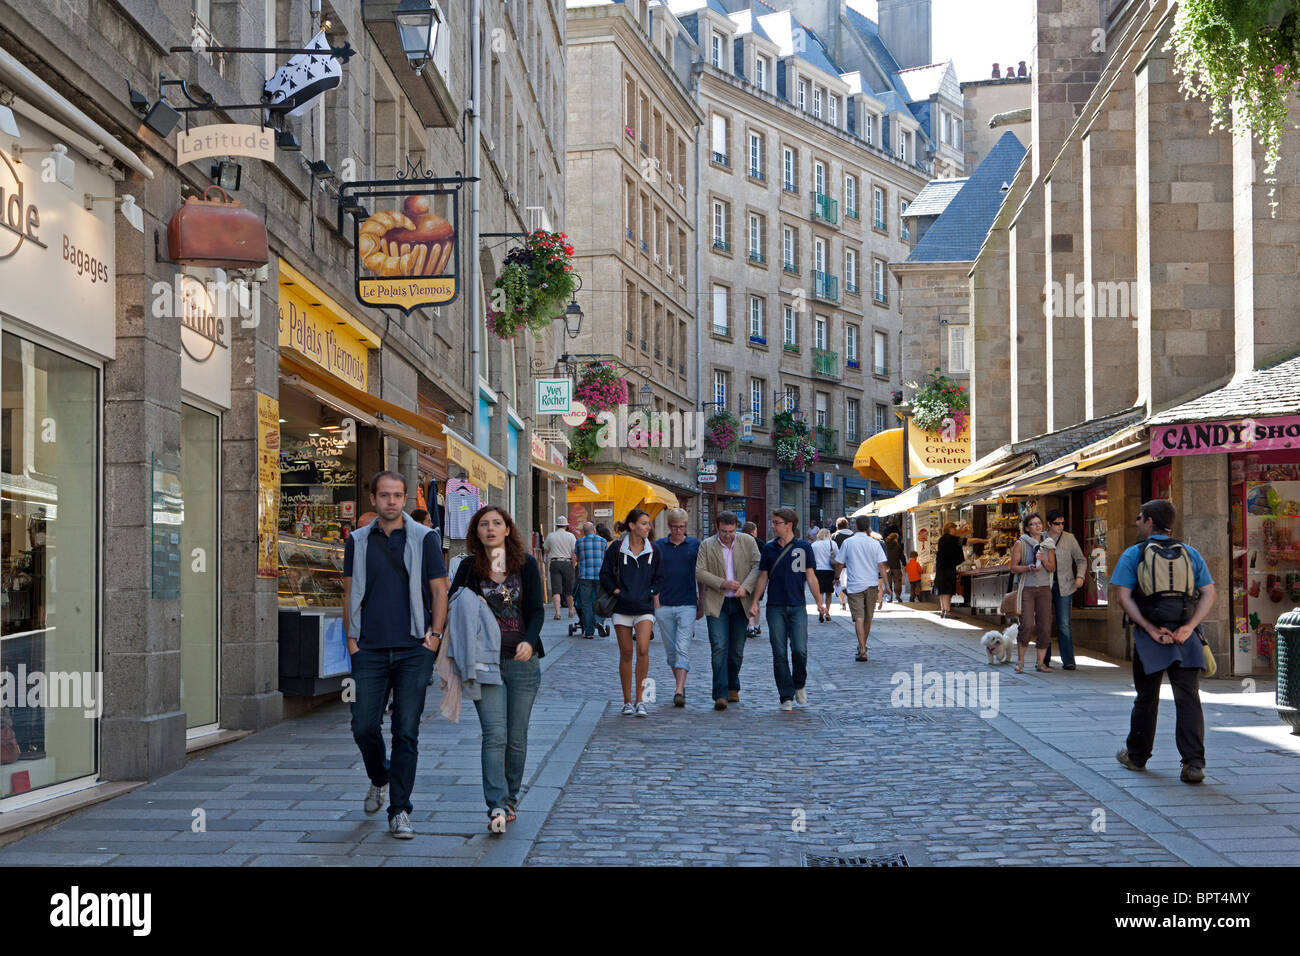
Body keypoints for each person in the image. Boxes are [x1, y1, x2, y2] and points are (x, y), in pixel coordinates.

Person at [343, 471, 448, 839]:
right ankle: (379, 776)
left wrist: (433, 637)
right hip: (368, 648)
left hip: (413, 649)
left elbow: (439, 590)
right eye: (384, 495)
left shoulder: (425, 538)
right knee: (363, 725)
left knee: (406, 730)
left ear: (406, 499)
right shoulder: (356, 541)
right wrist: (352, 640)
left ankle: (400, 810)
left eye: (398, 495)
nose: (391, 501)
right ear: (373, 498)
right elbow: (350, 592)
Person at [448, 505, 545, 831]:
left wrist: (530, 641)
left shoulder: (526, 565)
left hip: (522, 662)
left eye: (497, 523)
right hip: (483, 663)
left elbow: (535, 610)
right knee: (494, 735)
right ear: (476, 532)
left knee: (516, 738)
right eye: (483, 524)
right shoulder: (469, 569)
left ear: (507, 529)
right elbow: (454, 607)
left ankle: (510, 798)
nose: (490, 529)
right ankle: (496, 805)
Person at [1112, 499, 1215, 784]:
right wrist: (1189, 628)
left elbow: (1123, 597)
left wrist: (1148, 627)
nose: (1135, 522)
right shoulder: (1190, 552)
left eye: (1138, 518)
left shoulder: (1135, 553)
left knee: (1146, 697)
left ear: (1148, 521)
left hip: (1150, 637)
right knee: (1188, 698)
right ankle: (1193, 764)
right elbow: (1208, 593)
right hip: (1186, 636)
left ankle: (1137, 756)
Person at [749, 508, 826, 712]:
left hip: (797, 606)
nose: (772, 526)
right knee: (779, 652)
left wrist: (819, 602)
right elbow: (763, 576)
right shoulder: (769, 548)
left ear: (789, 525)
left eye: (776, 523)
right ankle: (786, 695)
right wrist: (755, 602)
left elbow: (810, 576)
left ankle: (799, 683)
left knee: (800, 650)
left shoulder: (804, 548)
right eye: (773, 522)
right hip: (775, 607)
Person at [600, 508, 664, 717]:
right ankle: (627, 701)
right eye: (644, 523)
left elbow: (660, 578)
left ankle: (641, 700)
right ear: (632, 526)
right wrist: (617, 591)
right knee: (626, 653)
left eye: (649, 523)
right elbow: (605, 575)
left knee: (643, 649)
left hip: (644, 607)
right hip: (622, 607)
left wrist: (650, 592)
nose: (648, 527)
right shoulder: (617, 549)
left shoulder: (654, 550)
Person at [696, 511, 761, 709]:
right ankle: (720, 694)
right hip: (717, 603)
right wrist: (722, 583)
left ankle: (733, 685)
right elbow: (699, 572)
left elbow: (757, 566)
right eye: (724, 531)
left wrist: (746, 587)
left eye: (731, 531)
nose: (728, 535)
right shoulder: (707, 545)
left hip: (741, 603)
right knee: (719, 647)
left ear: (737, 528)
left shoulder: (747, 542)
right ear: (717, 528)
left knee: (736, 651)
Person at [653, 508, 701, 707]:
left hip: (687, 603)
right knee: (671, 652)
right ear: (669, 526)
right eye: (675, 527)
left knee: (682, 647)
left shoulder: (696, 545)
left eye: (682, 527)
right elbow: (653, 574)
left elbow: (702, 576)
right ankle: (680, 682)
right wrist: (655, 599)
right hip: (664, 603)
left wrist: (702, 602)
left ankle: (679, 690)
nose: (679, 530)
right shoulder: (659, 546)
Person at [833, 515, 890, 662]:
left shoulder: (848, 542)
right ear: (868, 526)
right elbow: (881, 566)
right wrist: (887, 585)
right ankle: (863, 646)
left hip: (855, 585)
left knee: (858, 617)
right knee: (868, 617)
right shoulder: (875, 543)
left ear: (856, 526)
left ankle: (862, 648)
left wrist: (837, 577)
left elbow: (839, 563)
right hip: (871, 584)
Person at [1010, 513, 1057, 674]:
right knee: (1027, 624)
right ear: (1027, 528)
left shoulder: (1048, 544)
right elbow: (1013, 567)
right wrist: (1029, 567)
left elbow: (1052, 568)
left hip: (1044, 588)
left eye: (1039, 523)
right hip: (1027, 589)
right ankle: (1021, 661)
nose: (1037, 526)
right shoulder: (1020, 544)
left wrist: (1043, 560)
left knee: (1045, 625)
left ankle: (1041, 663)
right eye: (1033, 524)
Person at [1045, 508, 1086, 670]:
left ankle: (1068, 660)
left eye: (1062, 523)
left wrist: (1080, 576)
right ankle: (1044, 659)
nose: (1060, 526)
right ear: (1049, 524)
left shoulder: (1069, 538)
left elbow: (1081, 559)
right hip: (1044, 586)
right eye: (1057, 524)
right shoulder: (1041, 538)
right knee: (1044, 623)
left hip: (1065, 585)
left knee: (1063, 624)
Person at [934, 522, 987, 618]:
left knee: (942, 590)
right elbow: (969, 541)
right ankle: (947, 611)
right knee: (947, 590)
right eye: (954, 528)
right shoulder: (951, 539)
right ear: (950, 529)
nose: (955, 530)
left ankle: (943, 610)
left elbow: (959, 537)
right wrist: (982, 540)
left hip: (940, 567)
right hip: (948, 567)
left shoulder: (942, 539)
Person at [574, 521, 609, 638]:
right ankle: (599, 620)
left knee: (586, 604)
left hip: (584, 576)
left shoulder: (579, 542)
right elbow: (605, 557)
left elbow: (577, 558)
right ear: (594, 529)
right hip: (600, 576)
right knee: (602, 600)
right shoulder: (603, 541)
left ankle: (589, 632)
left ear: (584, 532)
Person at [543, 516, 577, 621]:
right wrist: (573, 564)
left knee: (556, 589)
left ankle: (558, 613)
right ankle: (571, 610)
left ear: (556, 525)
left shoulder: (550, 536)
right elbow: (573, 553)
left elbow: (546, 550)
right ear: (566, 526)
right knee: (569, 589)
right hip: (567, 562)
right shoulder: (571, 536)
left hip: (555, 562)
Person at [811, 528, 838, 623]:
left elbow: (811, 558)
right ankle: (827, 612)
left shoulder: (814, 545)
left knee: (820, 592)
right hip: (829, 570)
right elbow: (837, 557)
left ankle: (820, 610)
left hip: (817, 570)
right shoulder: (832, 544)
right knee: (829, 593)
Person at [831, 518, 854, 611]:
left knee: (839, 583)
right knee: (850, 584)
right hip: (851, 564)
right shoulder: (852, 535)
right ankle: (851, 602)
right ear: (847, 525)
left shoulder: (834, 536)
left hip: (839, 564)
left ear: (837, 526)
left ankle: (843, 602)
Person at [884, 532, 905, 606]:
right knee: (897, 582)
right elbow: (902, 556)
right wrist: (905, 564)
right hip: (896, 567)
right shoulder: (897, 546)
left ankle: (890, 597)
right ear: (895, 538)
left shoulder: (885, 546)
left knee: (888, 582)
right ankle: (898, 595)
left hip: (887, 567)